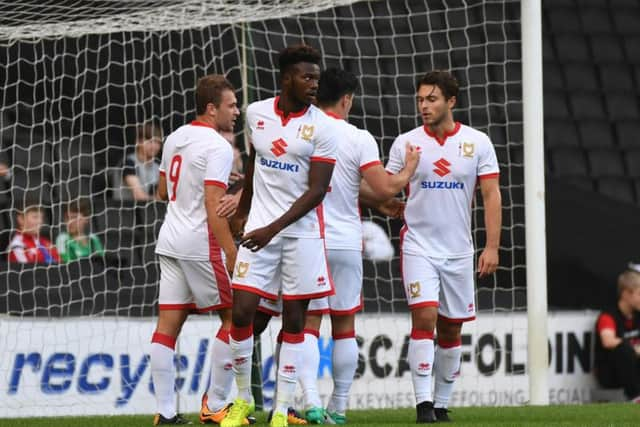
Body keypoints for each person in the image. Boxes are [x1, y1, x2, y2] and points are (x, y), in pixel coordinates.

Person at [251, 67, 420, 425]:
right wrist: (407, 171)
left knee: (305, 324)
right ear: (348, 99)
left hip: (307, 238)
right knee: (344, 325)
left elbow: (321, 185)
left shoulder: (302, 130)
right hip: (345, 239)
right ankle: (339, 407)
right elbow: (385, 187)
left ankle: (310, 401)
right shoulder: (357, 137)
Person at [221, 44, 339, 427]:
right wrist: (241, 211)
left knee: (293, 321)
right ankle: (242, 401)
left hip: (300, 237)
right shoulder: (256, 114)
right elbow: (254, 168)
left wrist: (273, 228)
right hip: (258, 232)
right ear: (287, 77)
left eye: (317, 78)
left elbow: (317, 190)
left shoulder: (323, 126)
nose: (314, 84)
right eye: (307, 77)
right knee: (241, 312)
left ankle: (281, 410)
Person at [385, 70, 502, 423]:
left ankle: (441, 403)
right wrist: (394, 190)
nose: (423, 105)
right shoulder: (406, 143)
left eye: (431, 99)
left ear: (451, 101)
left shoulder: (477, 142)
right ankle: (423, 405)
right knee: (424, 316)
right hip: (419, 245)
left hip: (459, 251)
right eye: (420, 99)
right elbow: (385, 188)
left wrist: (492, 246)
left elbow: (491, 194)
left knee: (451, 328)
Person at [149, 74, 242, 425]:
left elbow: (161, 192)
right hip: (200, 242)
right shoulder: (217, 146)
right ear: (211, 108)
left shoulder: (174, 137)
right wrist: (232, 253)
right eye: (231, 105)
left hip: (169, 239)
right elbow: (213, 206)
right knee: (237, 318)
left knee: (166, 327)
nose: (236, 111)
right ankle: (215, 405)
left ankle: (166, 414)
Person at [594, 266, 640, 402]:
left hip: (635, 369)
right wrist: (635, 349)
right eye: (639, 294)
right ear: (626, 294)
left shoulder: (638, 314)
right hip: (611, 373)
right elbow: (608, 341)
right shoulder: (608, 316)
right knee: (624, 348)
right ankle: (635, 397)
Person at [116, 121, 163, 201]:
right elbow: (139, 196)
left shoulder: (157, 167)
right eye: (150, 141)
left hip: (149, 211)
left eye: (157, 142)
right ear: (138, 141)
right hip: (124, 211)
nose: (154, 146)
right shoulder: (128, 163)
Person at [8, 200, 60, 264]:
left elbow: (59, 262)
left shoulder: (44, 242)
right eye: (35, 217)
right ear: (21, 219)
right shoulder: (18, 246)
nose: (40, 221)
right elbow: (26, 272)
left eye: (41, 218)